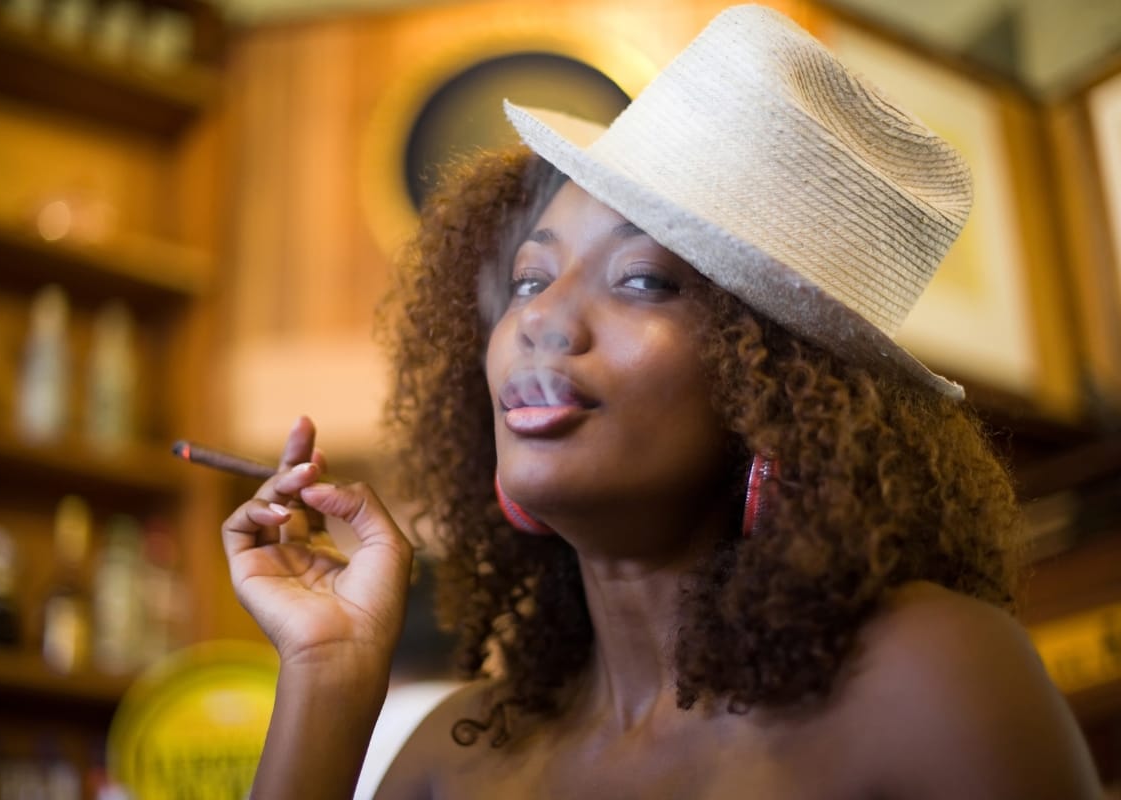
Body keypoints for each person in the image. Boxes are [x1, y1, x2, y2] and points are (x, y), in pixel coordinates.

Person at [221, 5, 1104, 798]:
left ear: (785, 386)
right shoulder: (445, 759)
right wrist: (328, 673)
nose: (545, 321)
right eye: (529, 278)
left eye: (642, 280)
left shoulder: (931, 679)